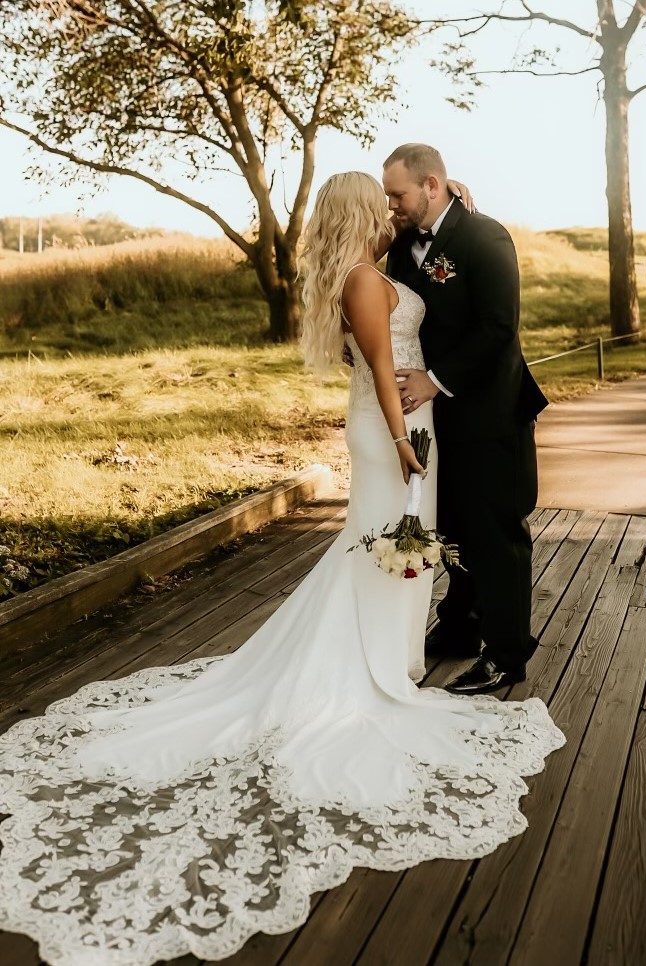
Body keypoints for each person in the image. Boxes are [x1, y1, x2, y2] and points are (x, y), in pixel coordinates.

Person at [0, 172, 564, 966]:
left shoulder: (384, 256)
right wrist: (404, 439)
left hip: (412, 424)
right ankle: (376, 669)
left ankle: (395, 657)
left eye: (401, 198)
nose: (393, 211)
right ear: (366, 213)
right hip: (395, 430)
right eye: (385, 201)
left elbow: (434, 268)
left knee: (390, 547)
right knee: (383, 545)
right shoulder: (366, 279)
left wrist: (456, 204)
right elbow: (377, 365)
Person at [382, 143, 548, 696]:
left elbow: (499, 327)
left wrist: (436, 379)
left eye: (399, 194)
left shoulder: (485, 237)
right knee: (451, 526)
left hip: (490, 412)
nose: (392, 205)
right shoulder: (404, 243)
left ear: (432, 185)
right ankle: (461, 627)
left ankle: (506, 656)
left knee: (496, 534)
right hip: (437, 420)